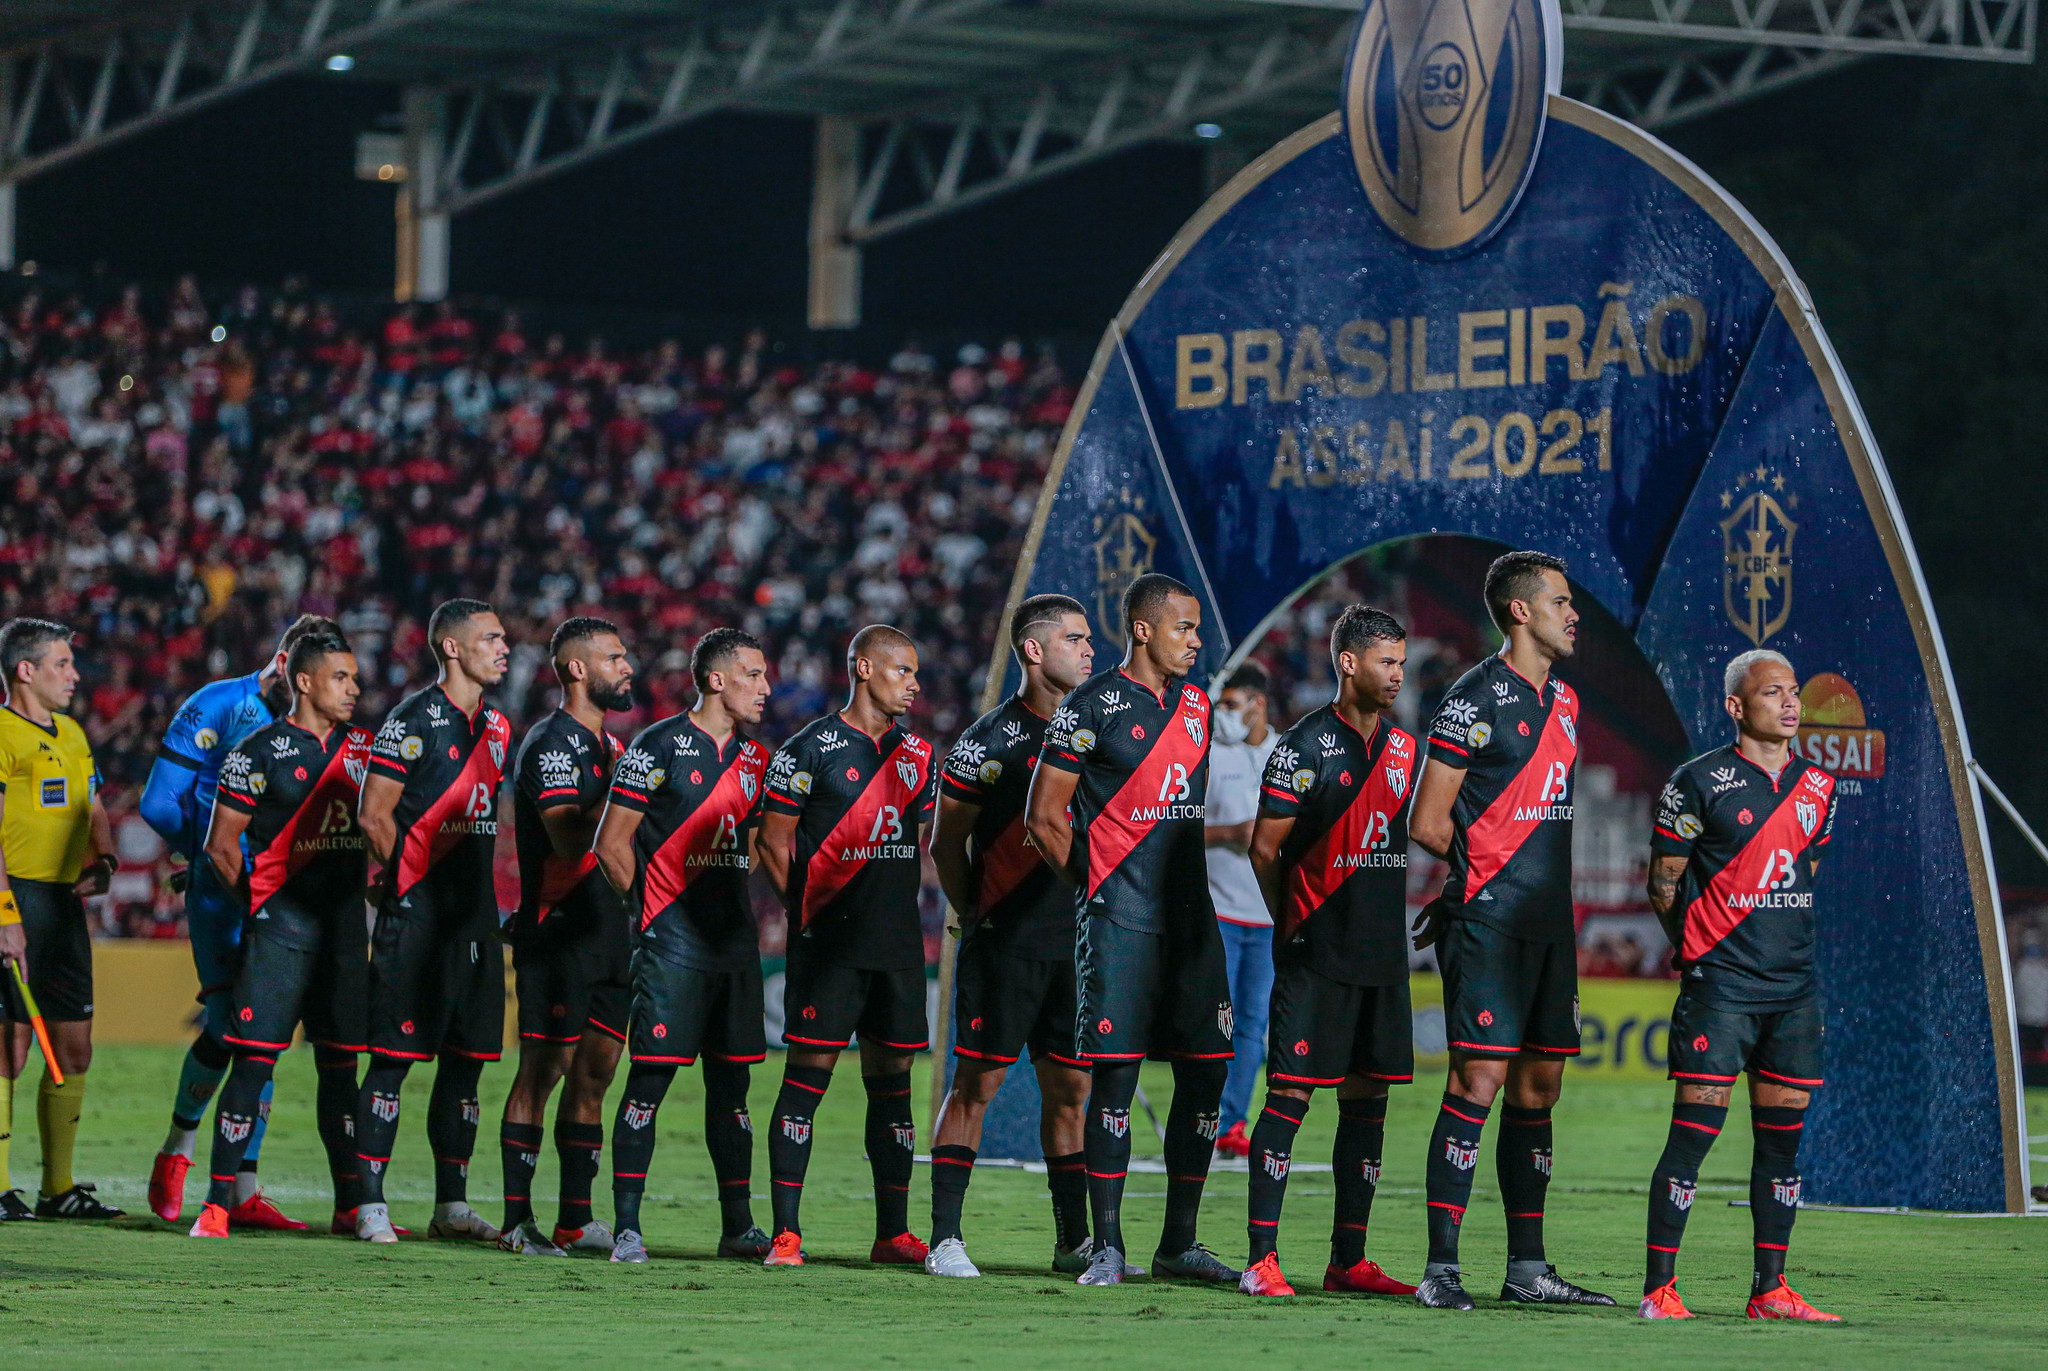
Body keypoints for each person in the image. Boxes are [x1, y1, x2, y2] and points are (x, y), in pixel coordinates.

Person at [1406, 551, 1613, 1310]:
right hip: (1487, 921)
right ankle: (1441, 1269)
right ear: (1521, 611)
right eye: (1561, 600)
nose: (1574, 613)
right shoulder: (1471, 697)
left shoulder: (1564, 701)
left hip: (1548, 928)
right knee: (1478, 1079)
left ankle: (1528, 1269)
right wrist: (1476, 877)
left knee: (1539, 1086)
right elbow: (1427, 821)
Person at [1026, 573, 1236, 1288]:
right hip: (1121, 917)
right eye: (1185, 626)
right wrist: (1093, 886)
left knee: (1207, 1071)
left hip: (1192, 923)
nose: (1196, 640)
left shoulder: (1200, 705)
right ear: (1144, 629)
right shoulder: (1092, 705)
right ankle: (1109, 1245)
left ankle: (1180, 1241)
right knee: (1113, 1078)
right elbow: (1045, 814)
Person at [1639, 648, 1842, 1322]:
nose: (1790, 703)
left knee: (1782, 1144)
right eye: (1772, 692)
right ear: (1736, 706)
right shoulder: (1697, 780)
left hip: (1792, 992)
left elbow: (1800, 867)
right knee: (1693, 1136)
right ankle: (1660, 1290)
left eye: (1793, 691)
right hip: (1721, 988)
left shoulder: (1820, 787)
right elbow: (1665, 881)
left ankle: (1770, 1290)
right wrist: (1695, 949)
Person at [1239, 606, 1421, 1298]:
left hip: (1380, 954)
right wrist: (1291, 920)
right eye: (1386, 662)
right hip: (1316, 950)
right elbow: (1264, 849)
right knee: (1288, 1098)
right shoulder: (1302, 745)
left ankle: (1349, 1259)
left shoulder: (1403, 748)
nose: (1397, 674)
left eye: (1402, 663)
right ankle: (1262, 1258)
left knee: (1367, 1102)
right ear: (1349, 662)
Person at [142, 614, 340, 1230]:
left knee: (268, 1035)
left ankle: (243, 1187)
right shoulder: (221, 704)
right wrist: (202, 859)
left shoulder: (322, 727)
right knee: (230, 1026)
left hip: (287, 896)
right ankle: (177, 1149)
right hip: (225, 894)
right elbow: (157, 803)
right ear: (285, 662)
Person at [924, 594, 1098, 1279]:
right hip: (1006, 945)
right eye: (1075, 639)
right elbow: (946, 843)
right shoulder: (987, 739)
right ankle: (945, 1239)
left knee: (1071, 1096)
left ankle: (1072, 1241)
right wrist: (976, 914)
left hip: (1076, 947)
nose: (1089, 650)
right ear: (1034, 649)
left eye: (1089, 640)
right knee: (975, 1086)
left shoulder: (1099, 732)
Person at [755, 624, 936, 1268]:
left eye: (916, 672)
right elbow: (771, 841)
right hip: (830, 944)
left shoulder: (917, 753)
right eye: (901, 670)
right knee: (807, 1080)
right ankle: (786, 1233)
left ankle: (892, 1233)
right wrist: (805, 911)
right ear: (863, 668)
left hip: (896, 949)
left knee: (893, 1088)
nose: (913, 683)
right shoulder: (810, 748)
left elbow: (917, 842)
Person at [593, 627, 776, 1265]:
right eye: (754, 674)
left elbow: (753, 847)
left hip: (734, 949)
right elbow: (610, 844)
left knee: (733, 1090)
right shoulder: (658, 745)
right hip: (671, 948)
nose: (766, 687)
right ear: (718, 680)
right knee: (649, 1082)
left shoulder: (758, 759)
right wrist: (654, 914)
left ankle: (737, 1228)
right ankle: (627, 1230)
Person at [187, 628, 373, 1238]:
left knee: (341, 1069)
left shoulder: (369, 750)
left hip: (345, 932)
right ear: (304, 680)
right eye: (341, 677)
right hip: (281, 931)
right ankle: (216, 1205)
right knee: (253, 1063)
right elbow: (220, 846)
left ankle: (351, 1206)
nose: (354, 687)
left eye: (354, 677)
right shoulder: (257, 752)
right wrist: (262, 906)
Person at [350, 599, 514, 1244]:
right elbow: (373, 814)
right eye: (491, 639)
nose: (504, 648)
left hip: (474, 921)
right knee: (392, 1060)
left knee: (466, 1064)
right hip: (416, 919)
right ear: (451, 648)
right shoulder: (411, 720)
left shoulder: (498, 727)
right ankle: (369, 1205)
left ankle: (451, 1204)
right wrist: (409, 885)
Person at [496, 618, 635, 1256]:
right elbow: (570, 838)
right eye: (615, 657)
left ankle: (575, 1219)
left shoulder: (611, 748)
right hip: (557, 934)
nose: (627, 667)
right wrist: (631, 785)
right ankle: (517, 1220)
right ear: (578, 670)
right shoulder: (551, 744)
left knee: (596, 1075)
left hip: (611, 937)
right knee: (541, 1072)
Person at [0, 620, 118, 1220]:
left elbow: (91, 804)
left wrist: (106, 859)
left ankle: (58, 1189)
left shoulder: (71, 733)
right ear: (27, 671)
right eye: (63, 664)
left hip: (63, 906)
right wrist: (3, 913)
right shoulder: (1, 733)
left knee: (73, 1047)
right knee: (8, 1049)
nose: (75, 675)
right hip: (13, 899)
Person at [1204, 661, 1280, 1159]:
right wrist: (1231, 833)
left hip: (1270, 917)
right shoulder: (1209, 757)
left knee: (1254, 1025)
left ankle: (1233, 1122)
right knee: (1217, 1023)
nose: (1222, 716)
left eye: (1230, 705)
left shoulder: (1285, 754)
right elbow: (1177, 827)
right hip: (1221, 912)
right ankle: (1204, 1116)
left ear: (1258, 703)